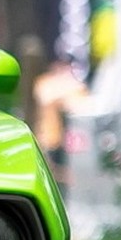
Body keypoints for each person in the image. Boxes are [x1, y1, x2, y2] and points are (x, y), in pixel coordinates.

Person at [32, 51, 89, 190]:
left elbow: (83, 104)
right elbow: (45, 96)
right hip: (48, 141)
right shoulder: (45, 82)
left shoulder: (75, 85)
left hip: (71, 145)